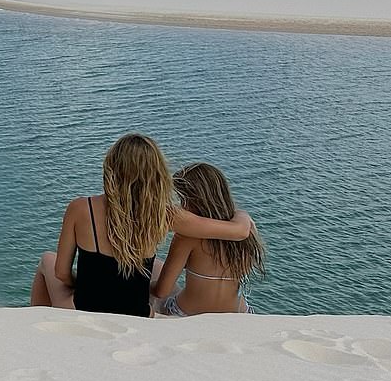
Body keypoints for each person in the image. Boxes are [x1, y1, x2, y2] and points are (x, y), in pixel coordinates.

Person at [30, 134, 252, 317]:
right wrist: (240, 213)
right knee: (154, 267)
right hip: (139, 313)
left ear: (111, 168)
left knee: (46, 261)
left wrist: (81, 282)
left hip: (85, 309)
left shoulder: (80, 208)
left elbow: (61, 273)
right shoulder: (164, 214)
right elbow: (240, 231)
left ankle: (36, 328)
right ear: (156, 175)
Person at [152, 162, 266, 316]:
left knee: (154, 267)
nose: (180, 206)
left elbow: (162, 290)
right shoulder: (245, 232)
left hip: (189, 315)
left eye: (182, 200)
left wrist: (142, 285)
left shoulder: (187, 238)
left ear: (193, 200)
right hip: (240, 314)